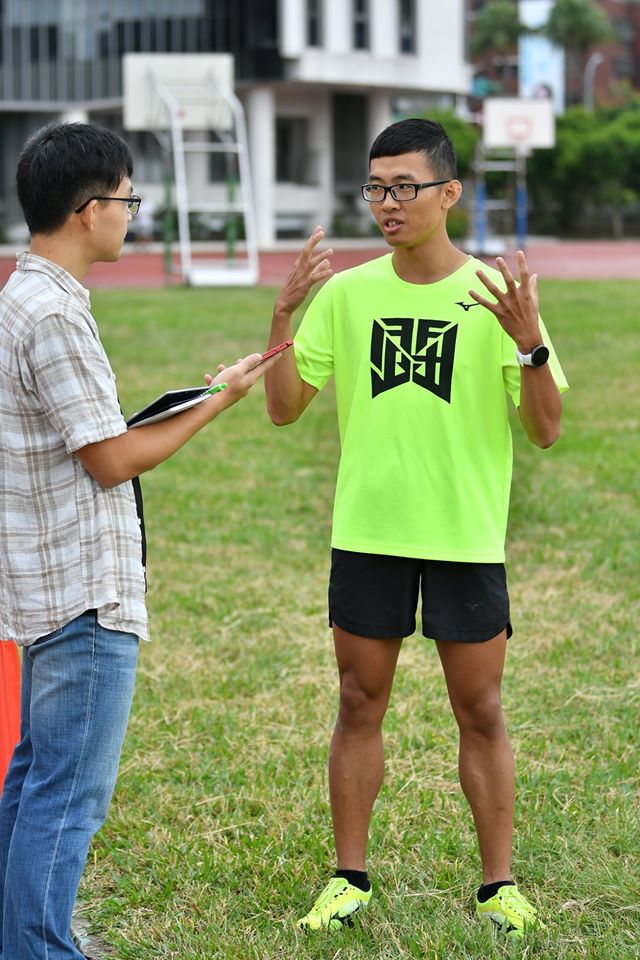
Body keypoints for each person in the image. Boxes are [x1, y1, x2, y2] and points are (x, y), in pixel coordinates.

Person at [264, 118, 568, 938]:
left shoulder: (497, 295)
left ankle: (498, 885)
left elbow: (545, 429)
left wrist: (531, 344)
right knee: (358, 701)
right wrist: (284, 314)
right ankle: (349, 880)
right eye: (376, 188)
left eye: (405, 187)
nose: (387, 203)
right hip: (369, 532)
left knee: (483, 710)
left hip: (464, 535)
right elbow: (285, 409)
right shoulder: (347, 294)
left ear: (449, 193)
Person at [0, 121, 278, 960]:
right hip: (82, 589)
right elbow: (111, 458)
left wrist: (195, 395)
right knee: (67, 796)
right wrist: (219, 403)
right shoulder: (54, 314)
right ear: (88, 209)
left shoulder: (24, 296)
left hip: (48, 580)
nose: (132, 213)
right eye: (127, 198)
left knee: (36, 778)